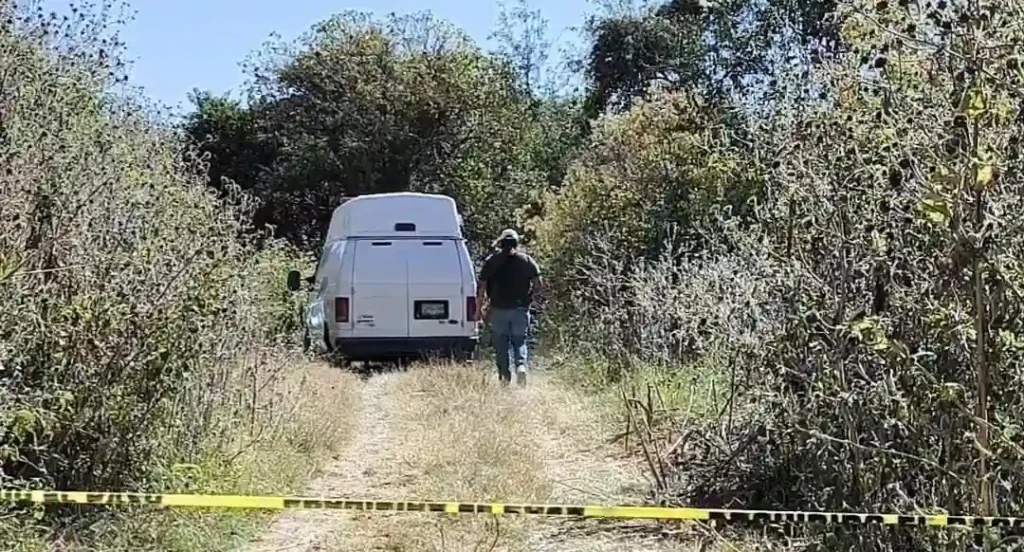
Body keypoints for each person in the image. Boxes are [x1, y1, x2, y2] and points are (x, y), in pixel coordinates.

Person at [476, 229, 543, 386]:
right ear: (517, 243)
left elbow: (481, 288)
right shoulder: (526, 260)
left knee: (501, 344)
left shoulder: (491, 261)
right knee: (520, 341)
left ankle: (505, 378)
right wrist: (530, 298)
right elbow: (539, 285)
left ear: (501, 243)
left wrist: (479, 309)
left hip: (498, 309)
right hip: (520, 309)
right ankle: (521, 366)